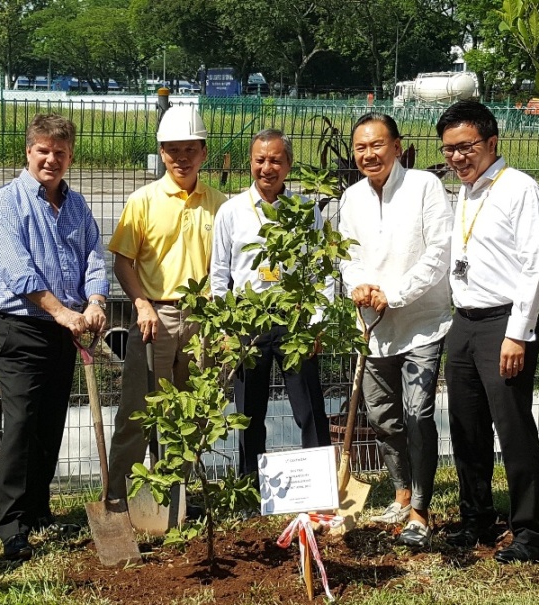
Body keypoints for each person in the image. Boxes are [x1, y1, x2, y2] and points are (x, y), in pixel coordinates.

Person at [0, 113, 109, 561]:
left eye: (59, 152)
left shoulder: (77, 207)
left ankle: (38, 509)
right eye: (42, 150)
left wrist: (95, 300)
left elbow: (94, 254)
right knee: (20, 425)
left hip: (66, 330)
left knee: (51, 423)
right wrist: (61, 312)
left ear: (70, 157)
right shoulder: (5, 204)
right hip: (21, 329)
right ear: (28, 152)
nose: (50, 159)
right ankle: (12, 524)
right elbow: (16, 270)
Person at [435, 100, 539, 563]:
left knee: (513, 426)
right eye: (449, 151)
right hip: (463, 322)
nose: (458, 158)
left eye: (466, 147)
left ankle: (531, 531)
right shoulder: (465, 191)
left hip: (504, 322)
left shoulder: (519, 188)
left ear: (492, 142)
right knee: (466, 428)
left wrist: (518, 334)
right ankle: (476, 519)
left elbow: (533, 267)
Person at [339, 112, 452, 547]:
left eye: (377, 145)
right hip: (371, 324)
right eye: (361, 147)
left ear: (398, 146)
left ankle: (421, 509)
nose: (369, 154)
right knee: (383, 417)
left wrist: (396, 293)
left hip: (423, 321)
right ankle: (401, 492)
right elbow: (346, 254)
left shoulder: (425, 187)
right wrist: (358, 286)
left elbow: (439, 252)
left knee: (418, 414)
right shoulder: (351, 198)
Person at [107, 105, 226, 500]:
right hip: (154, 317)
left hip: (203, 319)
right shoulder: (142, 201)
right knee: (137, 412)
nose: (182, 157)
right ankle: (119, 498)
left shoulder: (220, 205)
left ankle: (173, 496)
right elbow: (123, 261)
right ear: (161, 153)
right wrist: (141, 304)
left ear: (204, 152)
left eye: (190, 148)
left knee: (190, 413)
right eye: (173, 149)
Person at [209, 128, 332, 483]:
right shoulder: (231, 212)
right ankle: (251, 486)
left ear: (289, 164)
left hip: (295, 320)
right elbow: (219, 275)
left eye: (276, 160)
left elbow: (321, 272)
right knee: (249, 411)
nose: (267, 167)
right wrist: (224, 328)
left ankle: (320, 487)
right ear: (250, 162)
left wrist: (316, 322)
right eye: (260, 159)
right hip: (247, 321)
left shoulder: (306, 210)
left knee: (309, 409)